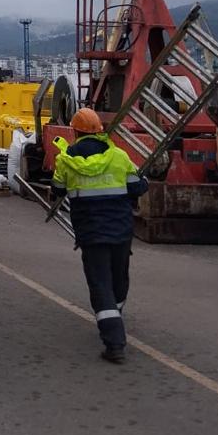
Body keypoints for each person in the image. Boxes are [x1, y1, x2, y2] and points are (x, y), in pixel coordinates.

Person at [51, 107, 148, 364]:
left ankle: (114, 343)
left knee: (100, 284)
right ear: (99, 131)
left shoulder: (65, 160)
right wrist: (145, 180)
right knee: (118, 279)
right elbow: (137, 187)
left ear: (75, 131)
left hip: (91, 233)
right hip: (121, 231)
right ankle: (115, 316)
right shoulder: (118, 156)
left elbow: (57, 189)